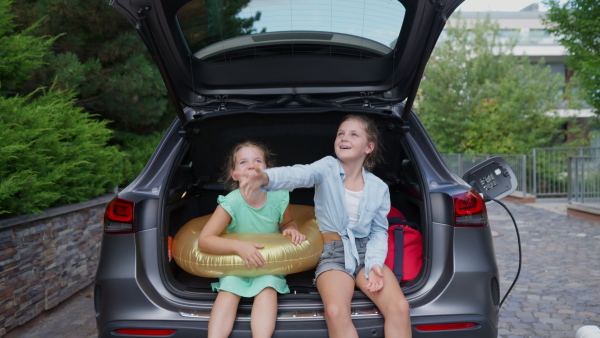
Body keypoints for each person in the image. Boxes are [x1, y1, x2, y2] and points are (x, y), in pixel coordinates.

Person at [236, 115, 412, 337]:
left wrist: (376, 264)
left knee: (399, 307)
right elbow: (298, 174)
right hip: (333, 254)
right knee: (336, 311)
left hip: (366, 253)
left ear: (369, 147)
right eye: (341, 134)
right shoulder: (327, 168)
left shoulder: (379, 188)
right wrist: (265, 178)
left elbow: (378, 231)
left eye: (353, 134)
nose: (344, 138)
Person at [198, 141, 306, 338]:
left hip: (268, 264)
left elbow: (287, 222)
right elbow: (205, 239)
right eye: (243, 162)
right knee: (229, 289)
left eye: (258, 160)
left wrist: (292, 229)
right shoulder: (231, 202)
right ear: (234, 174)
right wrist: (239, 247)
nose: (251, 165)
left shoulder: (279, 197)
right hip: (237, 264)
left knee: (268, 287)